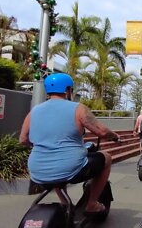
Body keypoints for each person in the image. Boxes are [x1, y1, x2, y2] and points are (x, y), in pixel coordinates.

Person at [19, 73, 120, 215]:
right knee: (107, 158)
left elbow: (23, 139)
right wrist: (115, 136)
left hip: (37, 170)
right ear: (67, 90)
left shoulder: (34, 111)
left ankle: (65, 203)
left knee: (58, 172)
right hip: (71, 168)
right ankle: (91, 204)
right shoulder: (78, 108)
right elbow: (102, 132)